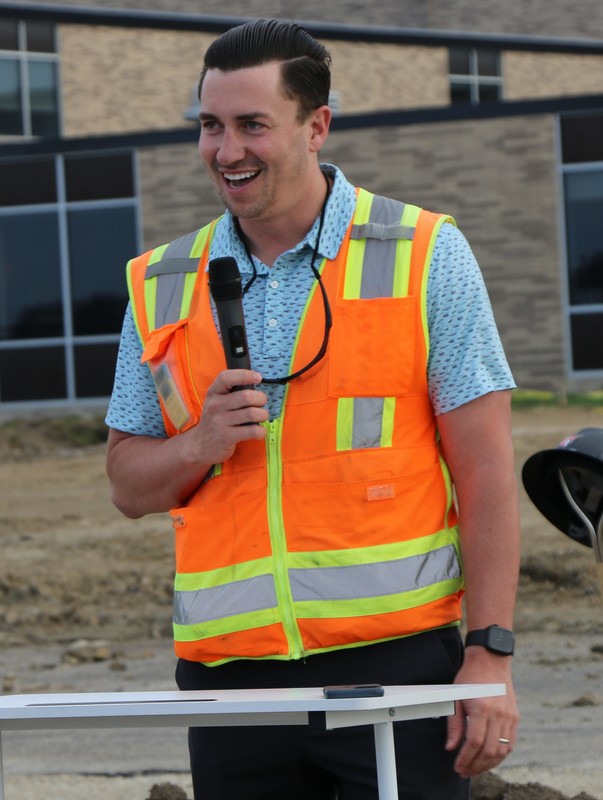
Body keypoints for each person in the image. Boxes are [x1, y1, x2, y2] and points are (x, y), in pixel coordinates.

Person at [106, 18, 520, 800]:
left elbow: (487, 472)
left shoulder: (425, 252)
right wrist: (198, 444)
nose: (226, 151)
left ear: (316, 126)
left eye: (251, 125)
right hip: (230, 681)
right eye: (210, 125)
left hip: (396, 670)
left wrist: (488, 653)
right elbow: (128, 484)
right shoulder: (160, 283)